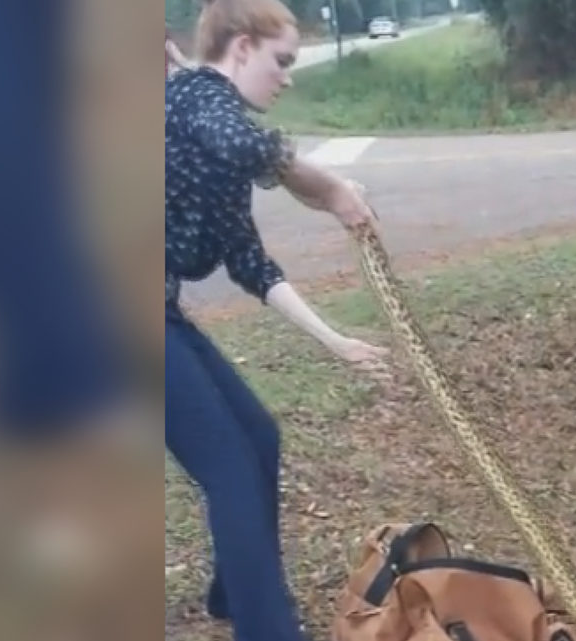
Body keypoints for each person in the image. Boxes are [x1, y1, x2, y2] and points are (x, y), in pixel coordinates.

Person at [165, 0, 390, 639]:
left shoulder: (213, 123)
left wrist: (336, 340)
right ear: (240, 48)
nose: (287, 77)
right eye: (280, 61)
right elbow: (244, 144)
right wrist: (326, 187)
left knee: (257, 438)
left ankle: (236, 592)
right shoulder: (195, 99)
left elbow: (249, 263)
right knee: (229, 466)